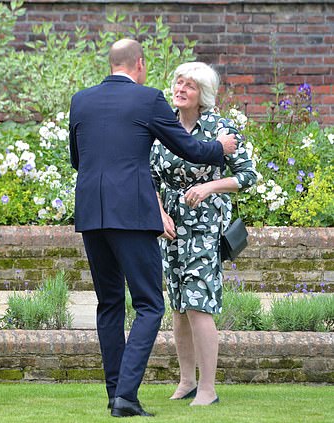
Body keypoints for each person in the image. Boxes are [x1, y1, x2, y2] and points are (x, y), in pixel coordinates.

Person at [69, 39, 237, 418]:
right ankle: (126, 395)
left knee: (109, 304)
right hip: (131, 215)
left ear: (111, 64)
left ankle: (115, 393)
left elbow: (77, 159)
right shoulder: (148, 99)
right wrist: (220, 148)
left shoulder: (81, 100)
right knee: (149, 304)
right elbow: (188, 148)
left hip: (92, 215)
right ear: (139, 64)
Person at [150, 62, 256, 406]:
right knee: (179, 306)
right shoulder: (162, 125)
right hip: (171, 229)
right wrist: (159, 213)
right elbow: (148, 176)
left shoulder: (219, 128)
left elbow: (248, 176)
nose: (180, 89)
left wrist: (210, 186)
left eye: (189, 86)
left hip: (205, 226)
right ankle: (186, 382)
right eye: (178, 82)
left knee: (199, 305)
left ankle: (208, 389)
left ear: (203, 96)